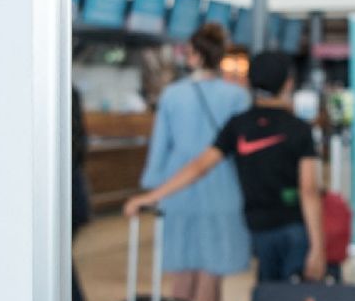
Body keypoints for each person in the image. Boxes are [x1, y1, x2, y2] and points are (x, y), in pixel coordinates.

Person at [128, 51, 325, 286]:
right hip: (293, 227)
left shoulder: (239, 124)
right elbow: (309, 190)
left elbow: (199, 167)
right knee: (296, 300)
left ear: (249, 82)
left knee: (269, 298)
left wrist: (151, 196)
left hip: (258, 228)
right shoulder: (299, 129)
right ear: (289, 83)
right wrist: (318, 246)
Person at [139, 24, 250, 301]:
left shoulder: (172, 95)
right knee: (210, 275)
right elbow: (242, 150)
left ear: (195, 54)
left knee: (182, 274)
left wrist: (154, 187)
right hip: (222, 186)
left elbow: (160, 146)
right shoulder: (237, 96)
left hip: (178, 187)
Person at [72, 87, 105, 301]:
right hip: (69, 176)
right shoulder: (68, 90)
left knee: (60, 249)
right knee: (60, 249)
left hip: (67, 177)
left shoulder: (67, 89)